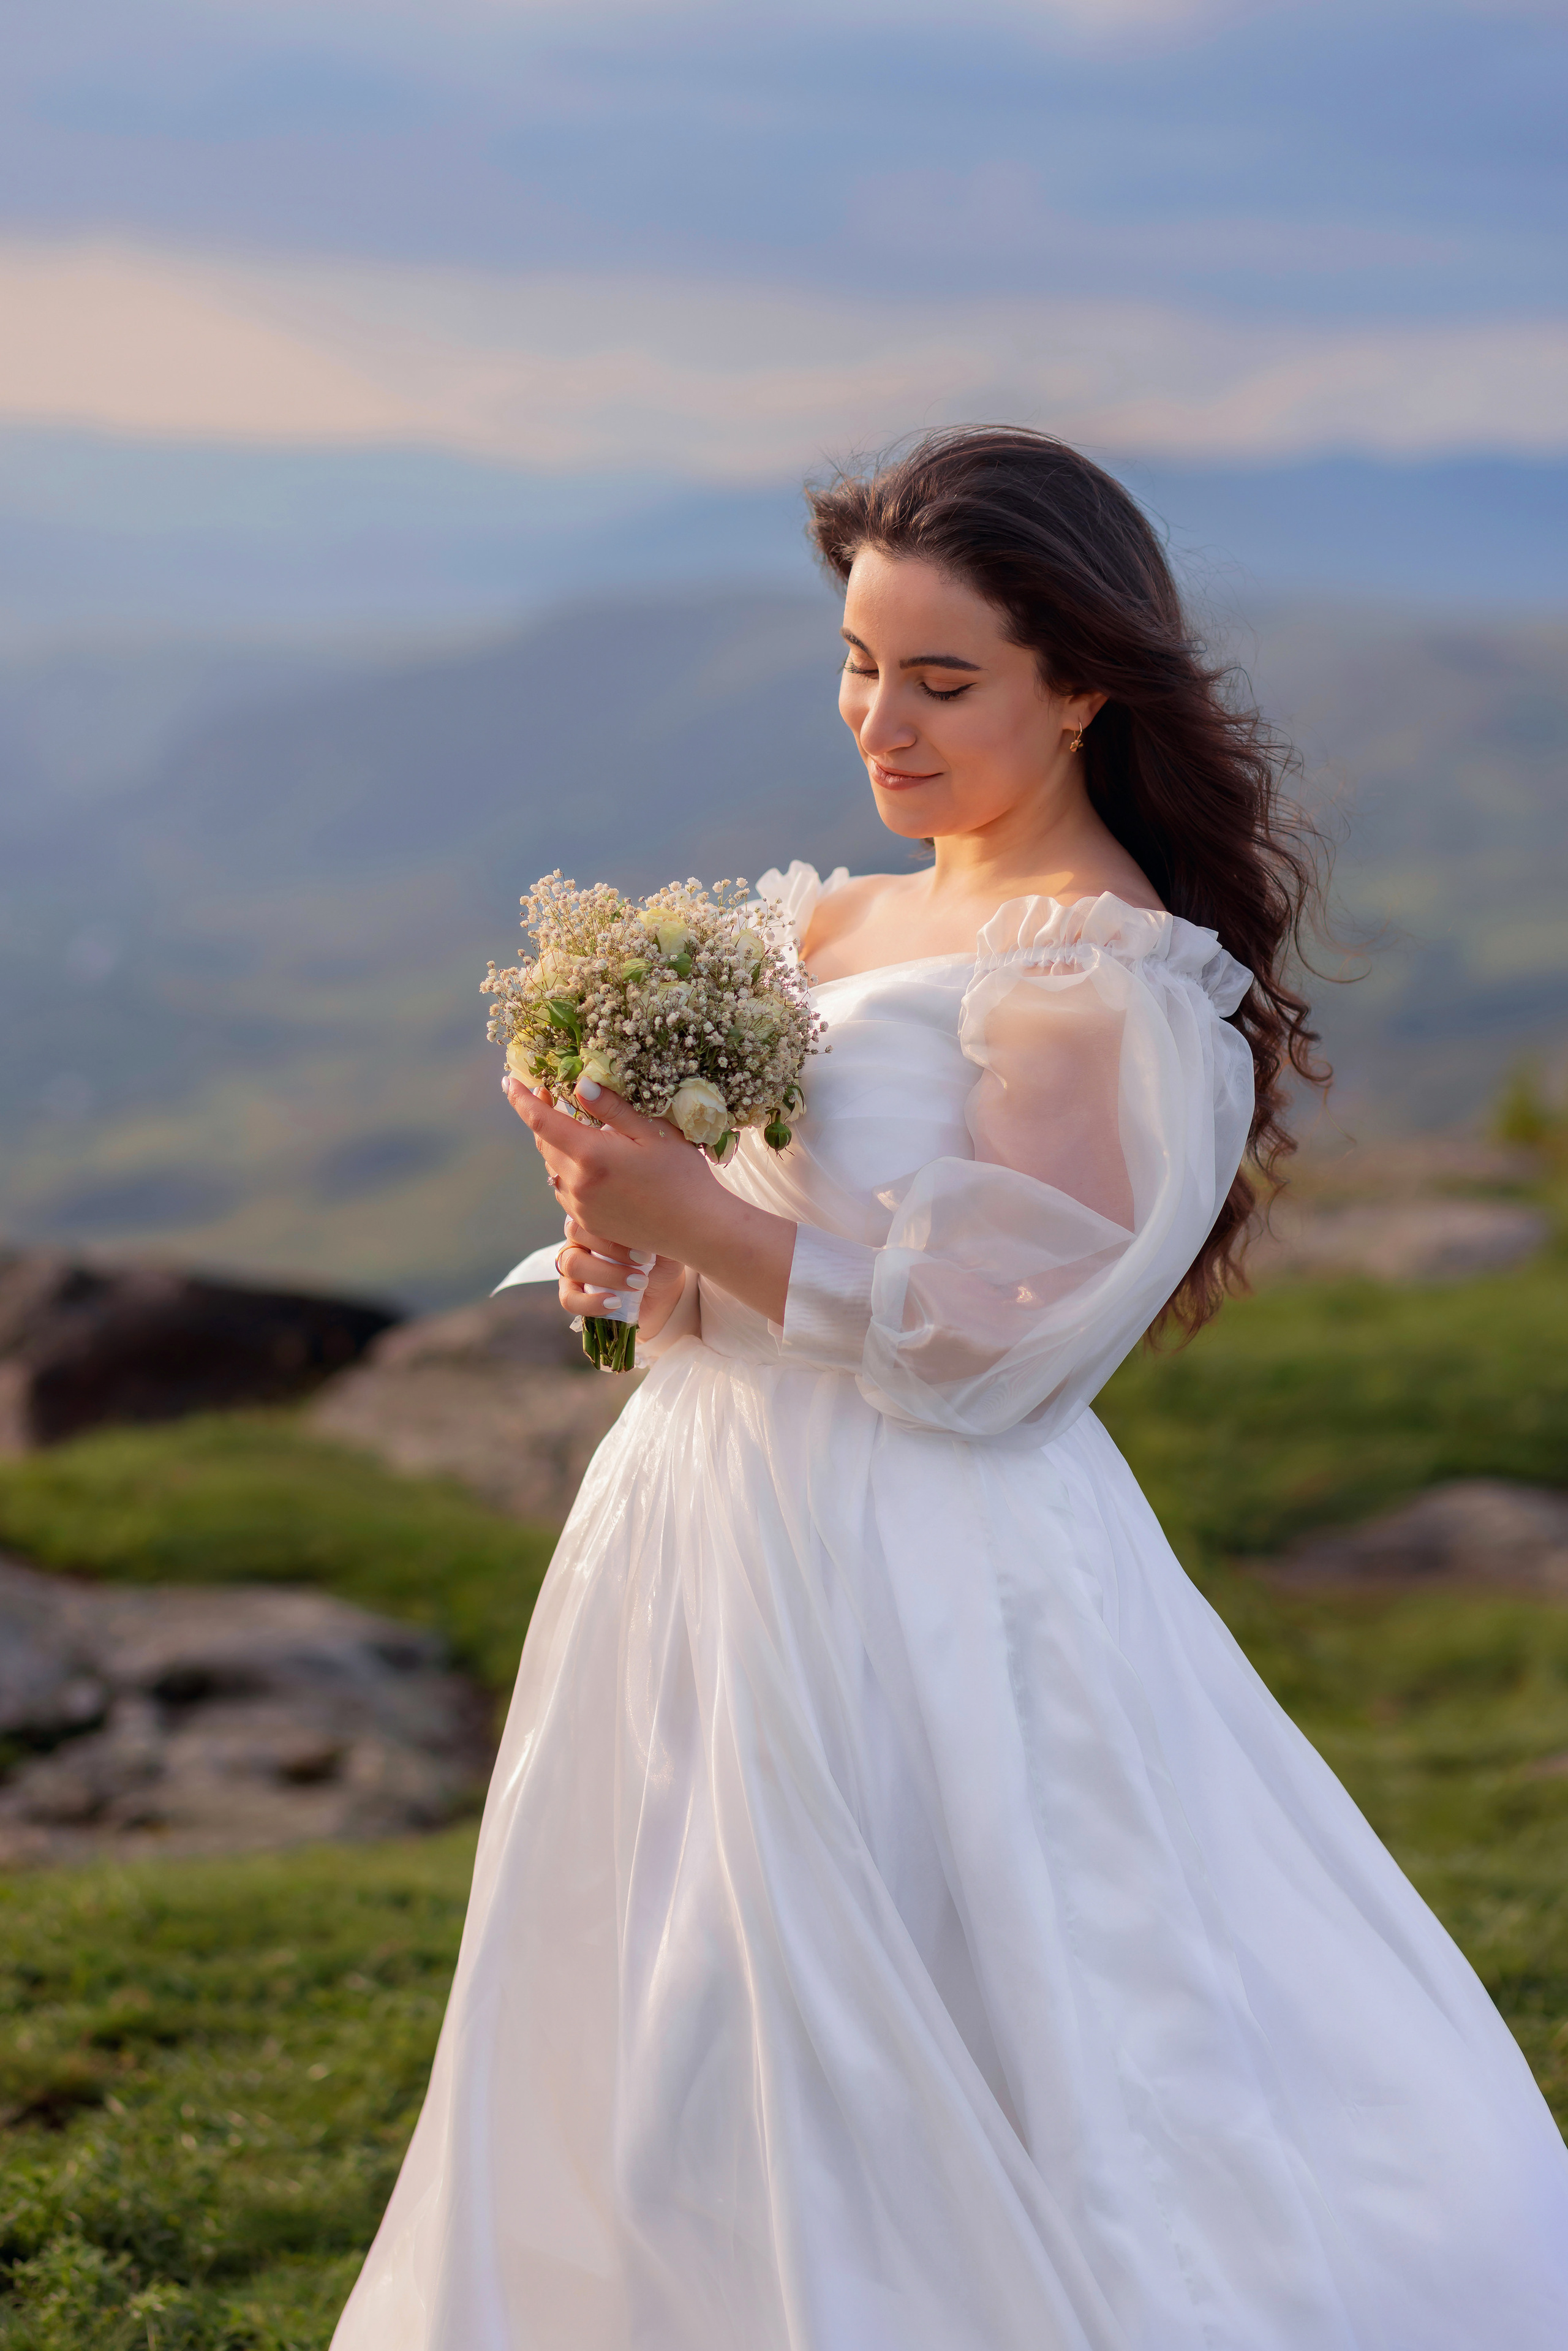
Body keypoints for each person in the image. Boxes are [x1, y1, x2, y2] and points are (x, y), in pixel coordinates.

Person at [332, 429, 1568, 2350]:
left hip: (910, 1563)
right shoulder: (835, 922)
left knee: (871, 2002)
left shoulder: (1095, 972)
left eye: (940, 679)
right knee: (657, 1997)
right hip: (699, 1523)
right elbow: (777, 1244)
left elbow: (1000, 1346)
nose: (878, 722)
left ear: (1081, 690)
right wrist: (630, 1242)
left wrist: (694, 1217)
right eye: (856, 662)